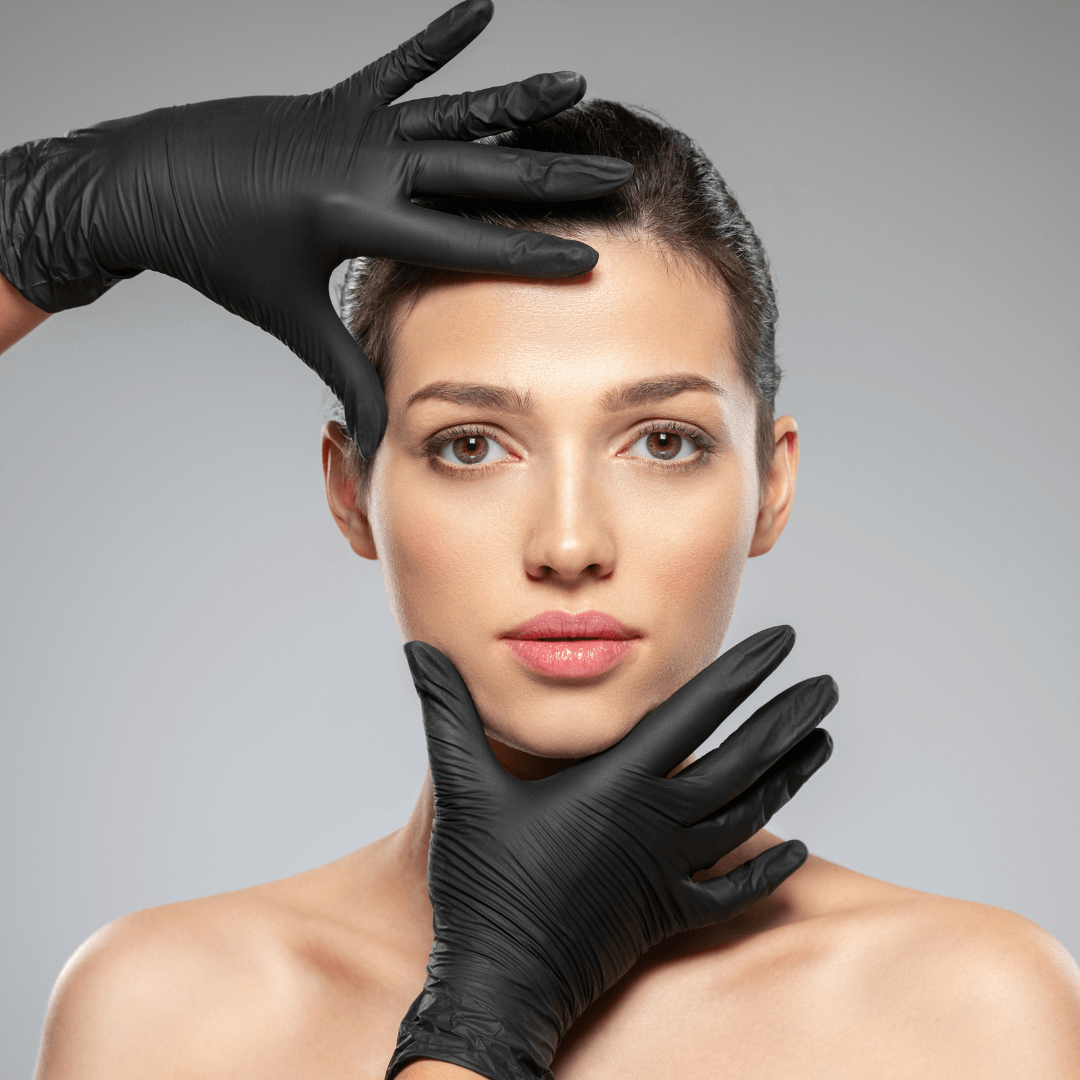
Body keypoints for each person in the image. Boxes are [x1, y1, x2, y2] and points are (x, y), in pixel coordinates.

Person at [31, 101, 1080, 1080]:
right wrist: (48, 214)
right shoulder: (166, 1014)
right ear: (352, 491)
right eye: (473, 443)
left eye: (663, 441)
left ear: (772, 486)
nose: (570, 543)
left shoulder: (966, 1013)